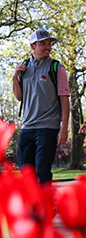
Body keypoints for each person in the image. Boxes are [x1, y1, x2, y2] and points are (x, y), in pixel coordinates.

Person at [12, 29, 70, 183]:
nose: (48, 47)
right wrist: (14, 77)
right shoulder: (23, 68)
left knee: (42, 171)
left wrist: (64, 127)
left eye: (49, 43)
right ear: (33, 46)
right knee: (25, 171)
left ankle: (46, 206)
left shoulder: (57, 68)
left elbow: (64, 100)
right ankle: (31, 206)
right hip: (27, 127)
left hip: (48, 127)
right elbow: (19, 97)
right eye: (43, 43)